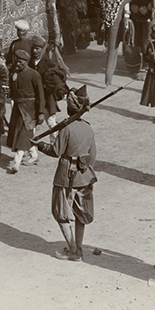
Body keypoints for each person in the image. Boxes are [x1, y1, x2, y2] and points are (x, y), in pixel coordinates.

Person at [38, 86, 96, 262]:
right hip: (85, 176)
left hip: (66, 177)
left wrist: (39, 145)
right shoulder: (88, 127)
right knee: (81, 214)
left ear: (69, 108)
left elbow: (56, 151)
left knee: (61, 213)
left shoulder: (66, 128)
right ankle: (78, 247)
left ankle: (73, 250)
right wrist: (83, 168)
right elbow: (93, 155)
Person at [6, 50, 44, 174]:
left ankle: (16, 162)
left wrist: (41, 112)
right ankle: (33, 154)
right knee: (22, 133)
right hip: (18, 107)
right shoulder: (14, 73)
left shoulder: (34, 75)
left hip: (29, 108)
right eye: (17, 61)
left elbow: (40, 95)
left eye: (21, 62)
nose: (18, 64)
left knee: (23, 133)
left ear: (26, 62)